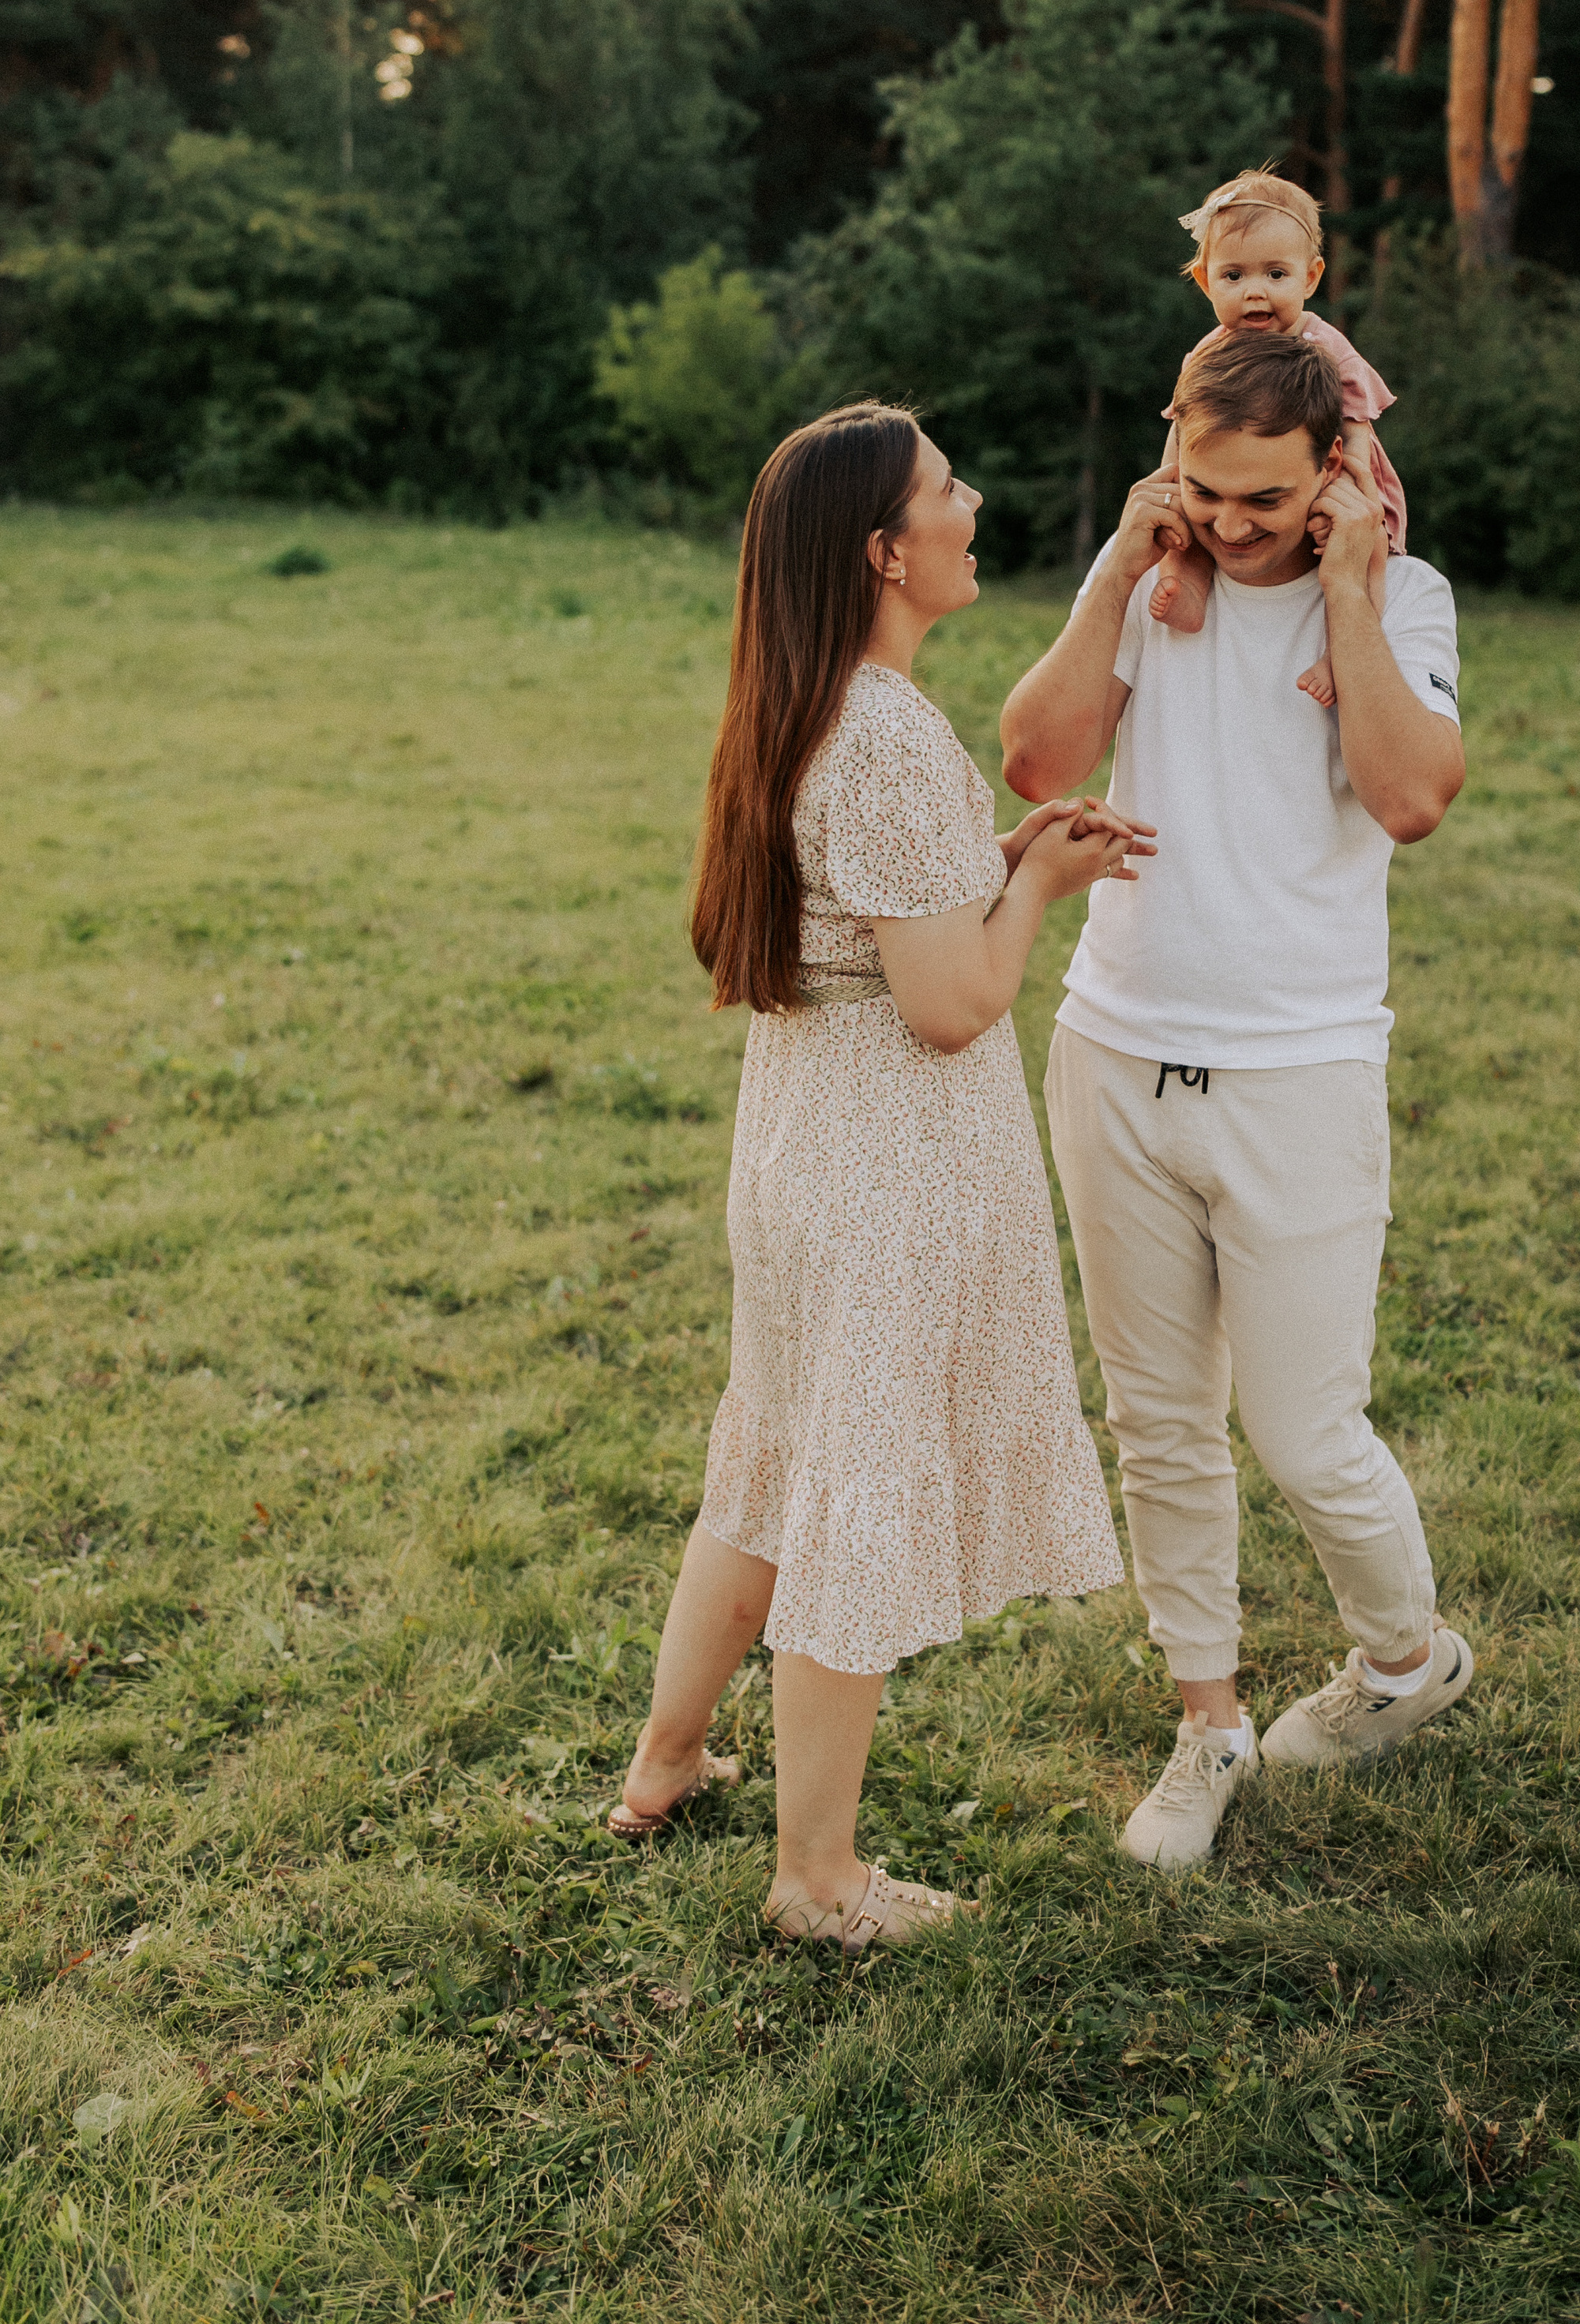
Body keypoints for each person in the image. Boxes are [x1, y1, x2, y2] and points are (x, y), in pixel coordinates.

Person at [610, 403, 1131, 1949]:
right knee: (847, 1493)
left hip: (793, 1147)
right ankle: (816, 1877)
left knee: (768, 1462)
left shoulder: (803, 702)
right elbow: (952, 1003)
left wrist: (995, 862)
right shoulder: (889, 733)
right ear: (884, 551)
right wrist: (1037, 880)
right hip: (880, 1172)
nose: (973, 505)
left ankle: (663, 1761)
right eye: (945, 491)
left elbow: (877, 930)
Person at [1000, 326, 1471, 1875]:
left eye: (1263, 496)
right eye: (1205, 487)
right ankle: (1203, 1724)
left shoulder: (1397, 600)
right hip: (1114, 1053)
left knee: (1302, 1429)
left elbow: (1407, 797)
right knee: (1156, 1424)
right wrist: (1104, 580)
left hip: (1300, 1073)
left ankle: (1404, 1661)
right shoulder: (1151, 584)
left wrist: (1338, 589)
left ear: (1333, 469)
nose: (1229, 520)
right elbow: (1033, 757)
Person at [1148, 167, 1405, 710]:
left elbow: (1356, 429)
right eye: (1235, 276)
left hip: (1334, 482)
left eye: (1276, 274)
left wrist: (1357, 499)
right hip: (1230, 482)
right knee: (1189, 523)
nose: (1256, 292)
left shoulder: (1325, 346)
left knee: (1362, 556)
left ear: (1310, 278)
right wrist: (1172, 488)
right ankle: (1187, 588)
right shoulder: (1207, 355)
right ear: (1205, 280)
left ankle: (1347, 649)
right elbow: (1183, 429)